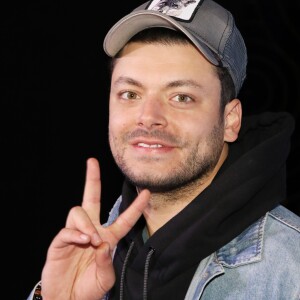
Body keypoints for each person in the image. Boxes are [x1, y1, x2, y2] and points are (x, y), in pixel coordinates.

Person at [27, 0, 300, 299]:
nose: (149, 117)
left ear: (230, 120)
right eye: (130, 93)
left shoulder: (291, 268)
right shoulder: (87, 259)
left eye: (181, 97)